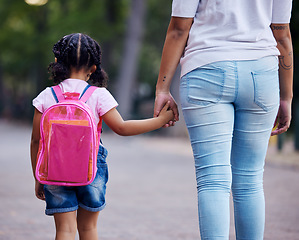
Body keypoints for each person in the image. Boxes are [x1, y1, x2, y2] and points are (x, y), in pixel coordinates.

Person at [154, 0, 293, 239]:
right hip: (261, 74)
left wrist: (162, 89)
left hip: (206, 68)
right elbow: (282, 34)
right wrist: (287, 96)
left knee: (212, 180)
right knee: (250, 181)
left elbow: (179, 28)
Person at [30, 33, 174, 240]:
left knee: (64, 230)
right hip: (91, 168)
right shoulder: (98, 95)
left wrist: (38, 176)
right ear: (93, 68)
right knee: (88, 228)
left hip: (54, 169)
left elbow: (37, 140)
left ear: (57, 63)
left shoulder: (46, 96)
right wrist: (160, 121)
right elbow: (122, 128)